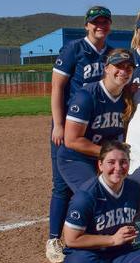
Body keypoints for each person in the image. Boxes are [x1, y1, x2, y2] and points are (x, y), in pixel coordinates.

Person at [47, 5, 114, 263]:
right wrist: (58, 124)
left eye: (105, 22)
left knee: (100, 180)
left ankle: (89, 234)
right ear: (87, 25)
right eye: (95, 22)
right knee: (62, 186)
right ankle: (54, 239)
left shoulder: (111, 53)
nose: (100, 26)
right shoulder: (74, 49)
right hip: (71, 126)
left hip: (97, 127)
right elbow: (57, 87)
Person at [57, 49, 134, 193]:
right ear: (106, 68)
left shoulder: (129, 96)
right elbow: (72, 140)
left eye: (128, 68)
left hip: (106, 158)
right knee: (95, 194)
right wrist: (111, 154)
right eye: (118, 66)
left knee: (126, 192)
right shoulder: (86, 96)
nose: (123, 71)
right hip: (77, 157)